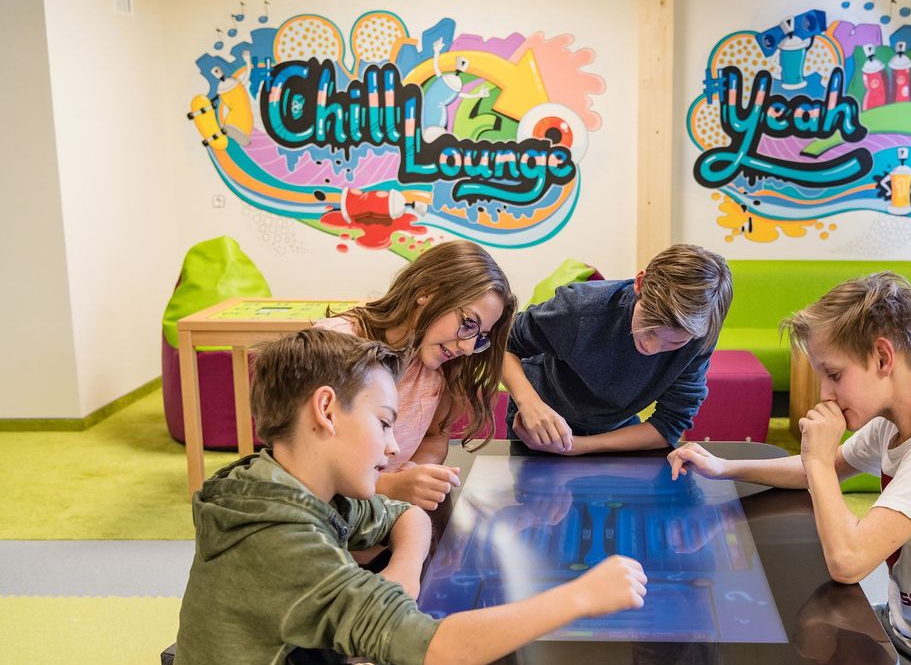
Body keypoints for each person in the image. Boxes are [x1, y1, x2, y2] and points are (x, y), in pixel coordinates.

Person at [175, 328, 648, 665]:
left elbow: (406, 515)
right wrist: (580, 597)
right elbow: (437, 649)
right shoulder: (277, 540)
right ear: (326, 410)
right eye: (384, 422)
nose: (393, 447)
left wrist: (401, 574)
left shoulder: (284, 483)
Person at [666, 272, 911, 664]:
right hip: (909, 632)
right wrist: (724, 467)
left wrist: (819, 461)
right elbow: (816, 470)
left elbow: (847, 562)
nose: (824, 394)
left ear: (883, 358)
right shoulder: (894, 423)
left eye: (834, 375)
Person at [316, 239, 517, 510]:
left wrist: (414, 470)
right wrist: (389, 486)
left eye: (480, 336)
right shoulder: (337, 343)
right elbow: (306, 462)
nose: (469, 348)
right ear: (426, 292)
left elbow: (435, 437)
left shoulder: (439, 366)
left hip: (386, 513)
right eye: (469, 323)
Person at [502, 244, 732, 455]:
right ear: (640, 284)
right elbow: (503, 344)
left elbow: (669, 424)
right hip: (542, 416)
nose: (651, 348)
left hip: (614, 429)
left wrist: (578, 447)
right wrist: (528, 402)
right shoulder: (580, 310)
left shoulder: (697, 336)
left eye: (674, 343)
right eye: (649, 329)